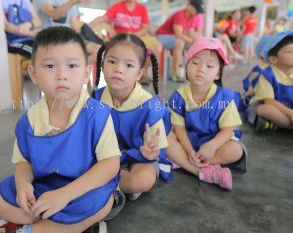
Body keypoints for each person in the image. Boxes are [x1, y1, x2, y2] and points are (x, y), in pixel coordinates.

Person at [0, 27, 124, 233]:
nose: (62, 75)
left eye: (72, 66)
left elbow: (110, 165)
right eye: (50, 66)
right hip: (46, 187)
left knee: (101, 203)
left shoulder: (98, 114)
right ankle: (59, 226)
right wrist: (23, 185)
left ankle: (34, 228)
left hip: (84, 189)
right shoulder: (30, 119)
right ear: (33, 74)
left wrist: (65, 195)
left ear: (86, 73)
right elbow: (24, 162)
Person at [92, 33, 172, 200]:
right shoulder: (94, 99)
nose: (118, 69)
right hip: (104, 158)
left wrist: (151, 151)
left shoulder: (152, 106)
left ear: (139, 74)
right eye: (112, 61)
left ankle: (107, 186)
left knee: (142, 179)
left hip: (139, 158)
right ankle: (116, 186)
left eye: (128, 65)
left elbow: (157, 150)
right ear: (102, 64)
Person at [165, 37, 247, 190]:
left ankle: (184, 162)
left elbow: (227, 131)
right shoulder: (178, 96)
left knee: (236, 150)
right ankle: (200, 171)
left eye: (209, 66)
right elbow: (179, 128)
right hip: (188, 140)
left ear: (218, 73)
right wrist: (189, 150)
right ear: (187, 64)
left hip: (214, 143)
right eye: (195, 63)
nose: (201, 69)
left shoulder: (226, 98)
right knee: (165, 139)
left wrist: (212, 146)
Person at [92, 0, 163, 84]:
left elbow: (145, 28)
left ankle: (141, 73)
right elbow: (103, 19)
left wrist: (133, 35)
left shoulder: (142, 8)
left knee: (157, 47)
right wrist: (95, 26)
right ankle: (139, 76)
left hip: (139, 36)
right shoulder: (116, 6)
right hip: (120, 37)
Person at [247, 31, 293, 130]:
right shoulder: (267, 75)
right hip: (268, 104)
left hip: (288, 108)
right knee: (266, 110)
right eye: (289, 51)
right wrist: (289, 113)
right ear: (273, 59)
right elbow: (268, 101)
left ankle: (279, 125)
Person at [35, 0, 103, 64]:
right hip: (50, 38)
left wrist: (78, 40)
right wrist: (73, 1)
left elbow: (75, 26)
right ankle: (73, 67)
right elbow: (54, 14)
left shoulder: (68, 2)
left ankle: (77, 68)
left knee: (100, 50)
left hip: (68, 37)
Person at [155, 0, 205, 82]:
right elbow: (178, 34)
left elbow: (190, 33)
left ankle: (189, 72)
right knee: (180, 42)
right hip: (162, 36)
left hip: (173, 38)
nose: (197, 13)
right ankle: (175, 73)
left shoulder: (192, 17)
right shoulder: (180, 14)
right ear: (189, 6)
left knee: (189, 44)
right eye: (197, 10)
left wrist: (195, 41)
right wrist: (192, 41)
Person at [242, 35, 271, 107]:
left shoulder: (272, 68)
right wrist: (249, 89)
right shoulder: (259, 69)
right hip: (255, 101)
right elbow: (247, 81)